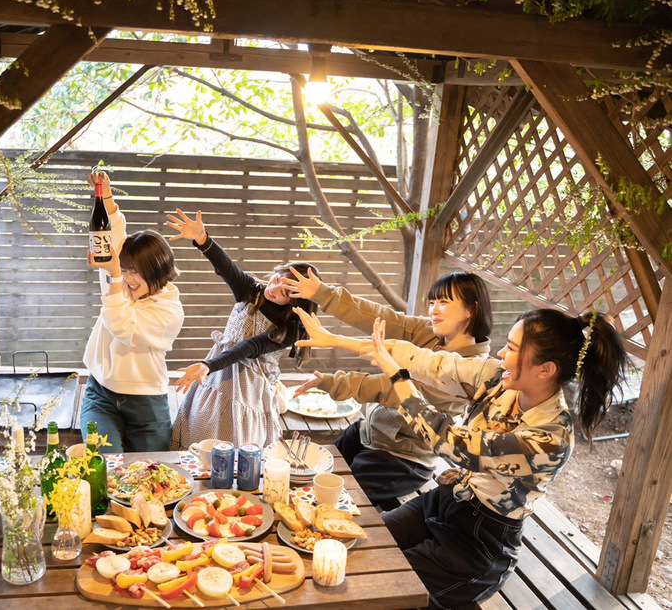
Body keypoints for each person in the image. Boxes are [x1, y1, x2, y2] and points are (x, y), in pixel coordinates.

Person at [295, 307, 628, 609]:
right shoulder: (499, 378)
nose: (501, 353)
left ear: (546, 369)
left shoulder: (551, 439)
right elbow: (427, 361)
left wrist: (398, 378)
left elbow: (454, 445)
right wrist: (334, 339)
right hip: (445, 501)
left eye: (512, 348)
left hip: (478, 545)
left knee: (377, 586)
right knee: (358, 548)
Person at [283, 270, 493, 511]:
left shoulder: (470, 370)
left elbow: (392, 390)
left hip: (402, 459)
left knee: (330, 504)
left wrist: (334, 382)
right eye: (432, 302)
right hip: (369, 433)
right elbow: (380, 317)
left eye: (443, 302)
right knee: (308, 478)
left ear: (471, 309)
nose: (433, 310)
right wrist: (323, 294)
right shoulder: (429, 331)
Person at [166, 209, 320, 450]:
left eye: (284, 292)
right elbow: (226, 267)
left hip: (250, 386)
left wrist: (207, 365)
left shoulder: (289, 328)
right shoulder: (252, 291)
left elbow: (250, 347)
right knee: (202, 425)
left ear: (295, 302)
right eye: (277, 279)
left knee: (240, 440)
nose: (273, 289)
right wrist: (202, 238)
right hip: (217, 373)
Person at [81, 171, 184, 453]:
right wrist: (106, 196)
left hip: (146, 401)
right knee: (103, 465)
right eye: (125, 270)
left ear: (158, 270)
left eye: (135, 272)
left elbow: (122, 327)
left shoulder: (170, 311)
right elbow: (112, 235)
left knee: (151, 471)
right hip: (101, 393)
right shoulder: (119, 279)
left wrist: (115, 276)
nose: (129, 279)